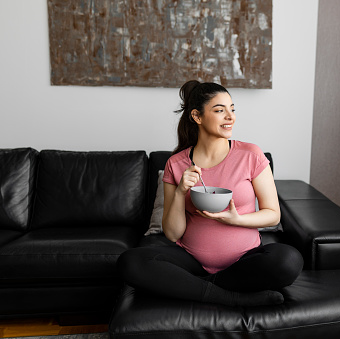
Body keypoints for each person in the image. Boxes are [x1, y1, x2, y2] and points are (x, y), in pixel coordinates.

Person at [117, 80, 303, 306]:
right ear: (197, 116)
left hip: (245, 261)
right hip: (191, 261)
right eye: (219, 110)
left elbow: (273, 214)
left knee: (288, 260)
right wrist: (180, 191)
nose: (230, 117)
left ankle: (199, 286)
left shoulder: (251, 155)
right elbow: (173, 234)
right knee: (130, 262)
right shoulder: (176, 164)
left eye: (232, 109)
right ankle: (228, 297)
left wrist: (237, 219)